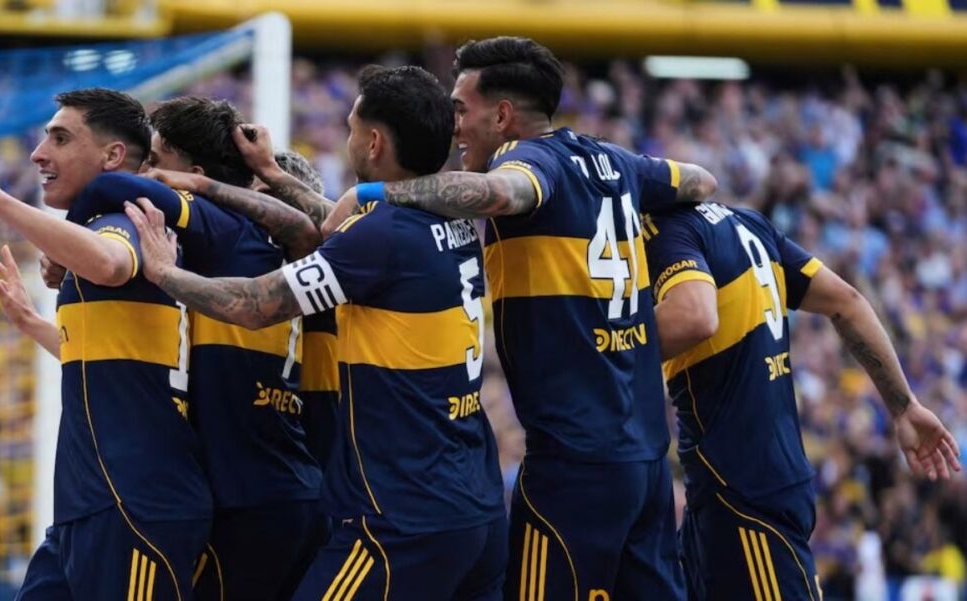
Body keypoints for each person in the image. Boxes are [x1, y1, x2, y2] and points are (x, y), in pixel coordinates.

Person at [345, 37, 715, 599]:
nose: (453, 128)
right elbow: (699, 180)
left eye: (461, 110)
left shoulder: (528, 159)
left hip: (574, 463)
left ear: (502, 115)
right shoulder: (614, 160)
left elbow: (499, 193)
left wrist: (377, 191)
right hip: (644, 460)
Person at [123, 65, 507, 600]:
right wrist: (257, 177)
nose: (347, 137)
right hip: (477, 504)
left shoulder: (381, 235)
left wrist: (165, 271)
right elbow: (336, 229)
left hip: (404, 515)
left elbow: (256, 305)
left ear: (373, 142)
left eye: (351, 126)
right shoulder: (447, 219)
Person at [55, 96, 328, 600]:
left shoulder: (228, 236)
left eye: (158, 161)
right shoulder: (275, 254)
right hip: (287, 486)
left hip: (245, 500)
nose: (149, 170)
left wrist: (69, 228)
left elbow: (113, 185)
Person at [0, 89, 212, 600]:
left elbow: (110, 263)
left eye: (60, 137)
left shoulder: (130, 216)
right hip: (90, 504)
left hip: (135, 503)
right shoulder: (102, 230)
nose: (38, 152)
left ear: (113, 157)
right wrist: (32, 324)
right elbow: (117, 360)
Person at [644, 200, 962, 600]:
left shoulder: (661, 230)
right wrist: (904, 406)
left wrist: (598, 354)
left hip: (741, 493)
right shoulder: (747, 223)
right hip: (748, 487)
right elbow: (847, 301)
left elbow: (695, 317)